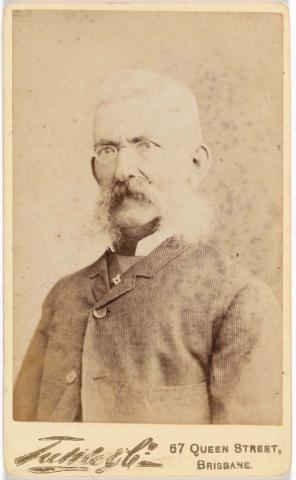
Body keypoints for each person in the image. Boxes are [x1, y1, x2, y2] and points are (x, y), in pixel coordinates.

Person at [13, 69, 282, 424]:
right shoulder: (63, 297)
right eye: (108, 150)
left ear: (195, 164)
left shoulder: (238, 300)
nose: (123, 170)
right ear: (95, 169)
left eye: (145, 145)